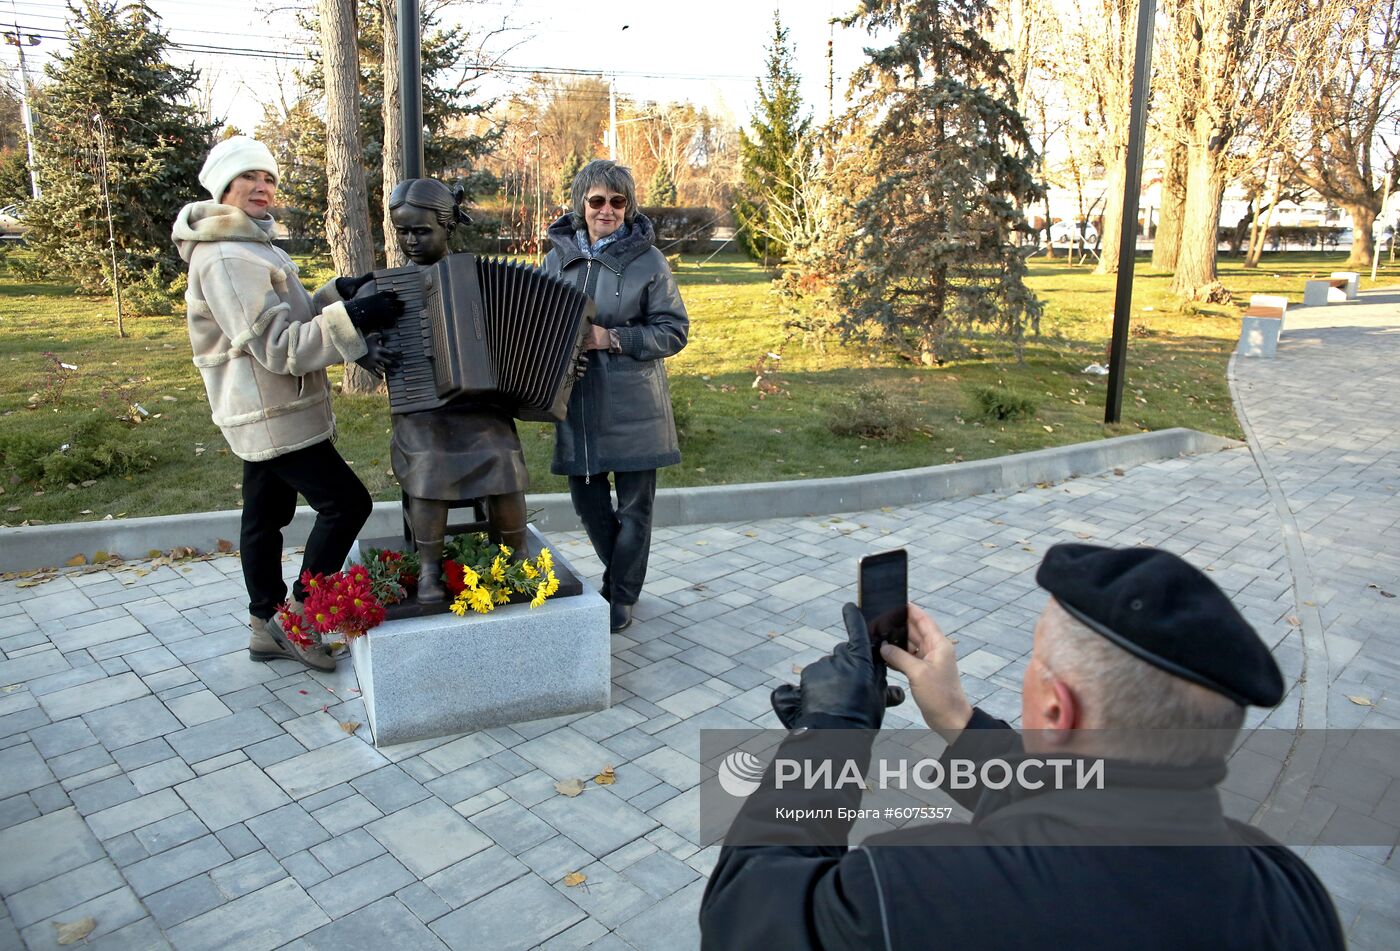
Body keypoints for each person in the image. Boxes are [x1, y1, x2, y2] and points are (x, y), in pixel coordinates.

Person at [700, 543, 1345, 950]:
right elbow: (1089, 803)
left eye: (1034, 664)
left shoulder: (905, 891)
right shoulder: (1288, 891)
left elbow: (745, 913)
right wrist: (954, 716)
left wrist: (828, 738)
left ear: (1057, 708)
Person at [173, 135, 402, 671]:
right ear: (223, 186)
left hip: (269, 410)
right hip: (272, 412)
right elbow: (278, 346)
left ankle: (263, 625)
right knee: (348, 504)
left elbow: (289, 316)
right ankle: (298, 618)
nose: (262, 187)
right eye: (249, 177)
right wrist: (357, 319)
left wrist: (336, 294)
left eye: (269, 177)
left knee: (265, 518)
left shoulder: (252, 246)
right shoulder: (227, 255)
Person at [543, 160, 688, 633]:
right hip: (577, 402)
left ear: (629, 207)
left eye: (617, 201)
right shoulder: (555, 260)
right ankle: (621, 576)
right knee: (588, 504)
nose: (607, 210)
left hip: (634, 405)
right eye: (597, 201)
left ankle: (620, 594)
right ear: (580, 204)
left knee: (634, 509)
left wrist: (613, 339)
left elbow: (673, 330)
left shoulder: (650, 261)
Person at [384, 178, 530, 603]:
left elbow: (519, 335)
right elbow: (350, 327)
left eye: (422, 231)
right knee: (430, 461)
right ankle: (429, 569)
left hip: (479, 407)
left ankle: (517, 555)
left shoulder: (479, 279)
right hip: (422, 408)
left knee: (503, 456)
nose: (411, 241)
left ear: (448, 227)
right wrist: (368, 351)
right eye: (403, 232)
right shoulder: (389, 286)